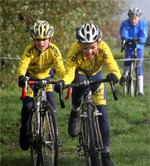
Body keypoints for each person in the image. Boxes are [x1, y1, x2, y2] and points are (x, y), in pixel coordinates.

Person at [55, 23, 121, 166]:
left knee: (103, 113)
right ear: (79, 44)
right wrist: (63, 82)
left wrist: (114, 75)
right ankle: (75, 111)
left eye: (92, 47)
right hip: (81, 73)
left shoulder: (104, 48)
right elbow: (70, 72)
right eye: (85, 48)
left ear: (99, 42)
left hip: (97, 76)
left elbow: (112, 65)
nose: (89, 51)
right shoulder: (74, 50)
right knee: (80, 83)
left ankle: (105, 155)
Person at [18, 20, 65, 150]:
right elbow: (23, 65)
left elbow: (61, 68)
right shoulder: (30, 49)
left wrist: (64, 80)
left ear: (50, 39)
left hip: (46, 78)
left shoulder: (54, 50)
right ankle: (25, 129)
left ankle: (53, 134)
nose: (41, 43)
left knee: (52, 105)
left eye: (44, 39)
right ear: (33, 40)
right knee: (27, 106)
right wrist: (21, 76)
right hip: (30, 78)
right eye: (37, 40)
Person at [120, 8, 148, 96]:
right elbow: (123, 33)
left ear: (139, 17)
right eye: (131, 18)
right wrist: (127, 39)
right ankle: (125, 75)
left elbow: (144, 35)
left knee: (139, 66)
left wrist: (140, 39)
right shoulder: (125, 23)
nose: (133, 20)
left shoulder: (143, 23)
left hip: (139, 46)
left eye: (135, 18)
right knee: (127, 60)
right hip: (129, 45)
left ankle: (140, 91)